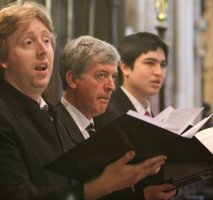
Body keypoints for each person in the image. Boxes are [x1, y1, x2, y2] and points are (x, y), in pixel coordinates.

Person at [0, 2, 167, 199]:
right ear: (4, 58)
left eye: (46, 41)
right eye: (28, 42)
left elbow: (63, 184)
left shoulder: (48, 113)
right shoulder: (6, 116)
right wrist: (100, 186)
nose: (42, 50)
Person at [55, 35, 168, 199]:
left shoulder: (90, 127)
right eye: (101, 75)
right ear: (73, 79)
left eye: (113, 77)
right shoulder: (53, 126)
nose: (111, 86)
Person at [94, 32, 177, 200]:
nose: (158, 72)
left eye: (163, 65)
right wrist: (142, 196)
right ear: (124, 67)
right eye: (150, 63)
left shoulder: (148, 112)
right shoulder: (109, 112)